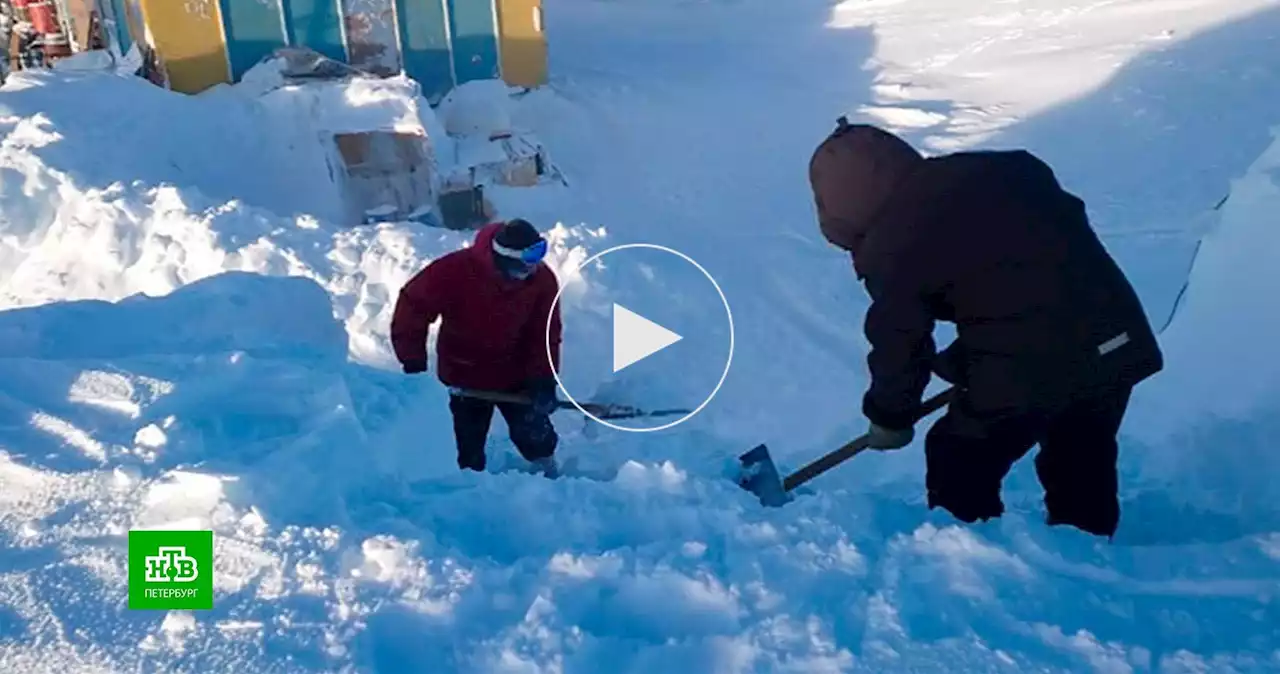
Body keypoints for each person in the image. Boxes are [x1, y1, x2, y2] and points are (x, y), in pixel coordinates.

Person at [807, 118, 1164, 538]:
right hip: (1116, 335)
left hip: (1034, 361)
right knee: (1081, 451)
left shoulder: (893, 244)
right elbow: (1027, 273)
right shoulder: (1007, 168)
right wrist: (973, 358)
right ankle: (1089, 554)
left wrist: (890, 416)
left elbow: (900, 342)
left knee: (959, 456)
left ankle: (972, 559)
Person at [390, 218, 564, 477]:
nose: (532, 270)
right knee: (466, 450)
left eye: (536, 260)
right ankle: (469, 493)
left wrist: (544, 378)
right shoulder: (455, 271)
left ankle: (549, 473)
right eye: (524, 265)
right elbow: (413, 306)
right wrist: (413, 360)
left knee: (536, 435)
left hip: (516, 374)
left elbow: (545, 333)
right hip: (464, 377)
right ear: (503, 259)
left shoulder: (542, 280)